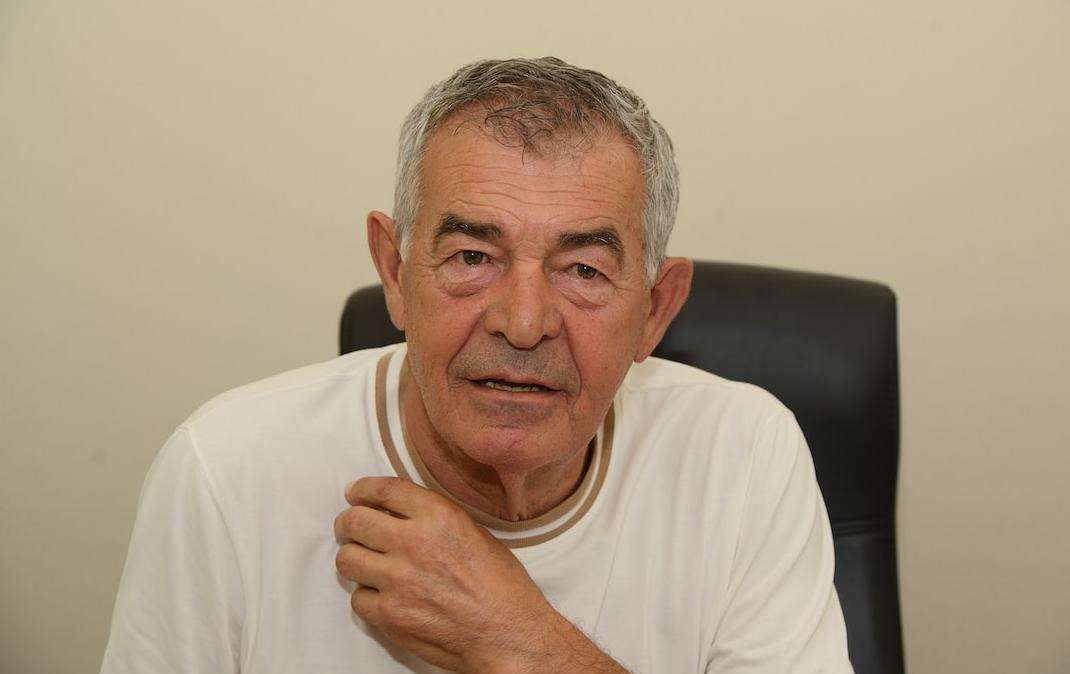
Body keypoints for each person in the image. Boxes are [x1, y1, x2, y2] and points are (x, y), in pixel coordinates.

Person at [100, 56, 854, 673]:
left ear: (655, 311)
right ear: (395, 272)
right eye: (472, 257)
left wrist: (518, 641)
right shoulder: (227, 471)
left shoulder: (742, 454)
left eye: (583, 270)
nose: (523, 325)